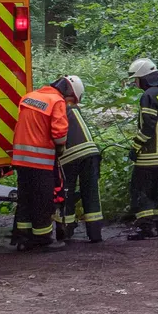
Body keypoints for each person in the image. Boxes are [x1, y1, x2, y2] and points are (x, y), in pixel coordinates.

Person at [11, 77, 70, 251]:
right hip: (40, 161)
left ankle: (23, 237)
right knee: (43, 201)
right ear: (67, 92)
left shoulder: (30, 96)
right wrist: (61, 148)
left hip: (21, 159)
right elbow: (59, 134)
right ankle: (42, 239)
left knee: (25, 199)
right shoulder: (56, 101)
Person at [126, 57, 158, 241]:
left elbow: (147, 126)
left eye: (136, 79)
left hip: (149, 154)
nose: (136, 83)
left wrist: (135, 146)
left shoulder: (148, 96)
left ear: (144, 77)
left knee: (140, 190)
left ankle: (145, 228)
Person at [53, 75, 103, 243]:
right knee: (91, 195)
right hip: (91, 154)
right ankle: (95, 234)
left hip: (69, 157)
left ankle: (64, 232)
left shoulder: (59, 107)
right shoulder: (74, 109)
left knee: (65, 194)